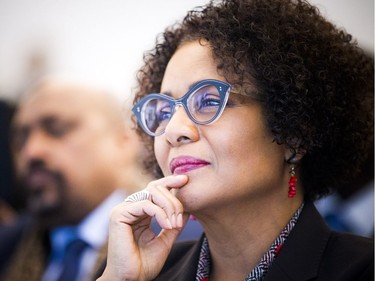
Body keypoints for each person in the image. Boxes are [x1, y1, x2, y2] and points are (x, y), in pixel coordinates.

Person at [96, 0, 374, 280]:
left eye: (208, 100)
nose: (173, 130)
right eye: (165, 110)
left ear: (294, 134)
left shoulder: (363, 270)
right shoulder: (138, 271)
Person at [0, 74, 153, 281]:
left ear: (123, 142)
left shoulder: (175, 240)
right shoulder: (8, 248)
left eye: (56, 129)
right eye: (21, 138)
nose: (31, 151)